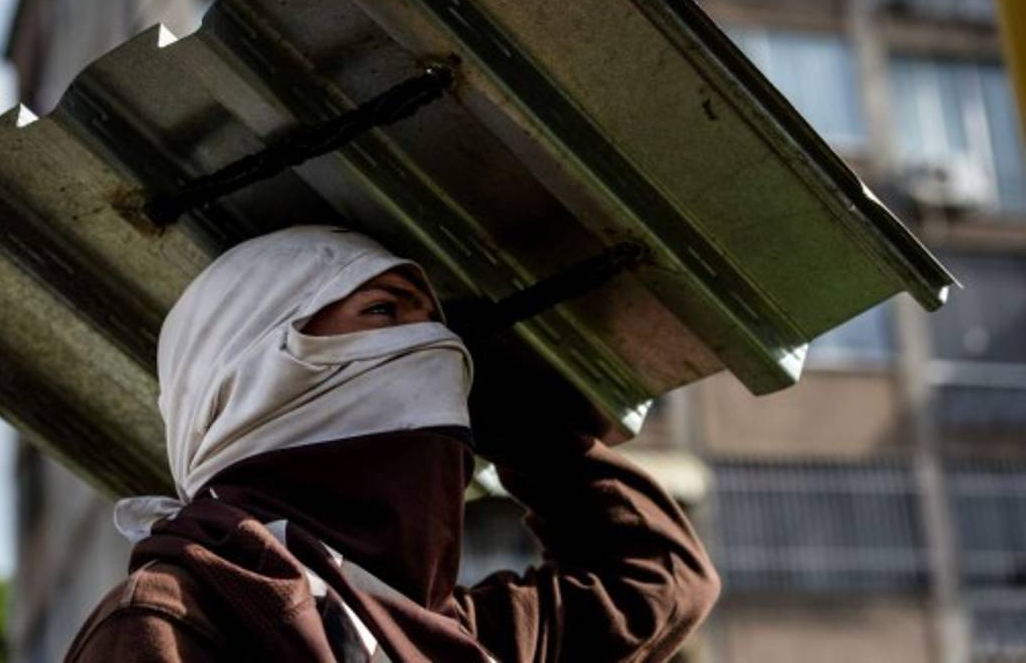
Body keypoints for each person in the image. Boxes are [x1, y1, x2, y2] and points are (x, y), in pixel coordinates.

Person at [65, 226, 719, 661]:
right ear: (253, 370)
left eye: (436, 332)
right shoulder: (174, 619)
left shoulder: (457, 635)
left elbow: (660, 580)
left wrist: (517, 421)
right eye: (384, 312)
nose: (431, 351)